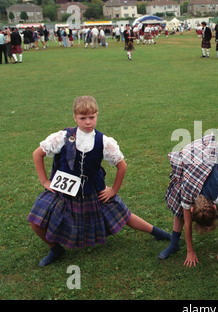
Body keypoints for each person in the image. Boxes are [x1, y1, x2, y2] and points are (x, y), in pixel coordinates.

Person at [27, 96, 171, 267]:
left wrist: (113, 190)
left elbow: (122, 167)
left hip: (94, 191)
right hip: (63, 190)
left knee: (123, 215)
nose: (88, 122)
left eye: (92, 117)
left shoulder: (104, 141)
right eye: (83, 118)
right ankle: (55, 248)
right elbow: (38, 154)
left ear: (97, 116)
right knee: (35, 221)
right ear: (75, 117)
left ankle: (157, 232)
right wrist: (44, 181)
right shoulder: (62, 137)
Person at [159, 134, 218, 266]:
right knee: (180, 211)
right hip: (190, 156)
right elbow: (187, 223)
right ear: (191, 209)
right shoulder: (187, 193)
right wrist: (190, 251)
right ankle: (174, 243)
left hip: (210, 154)